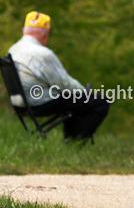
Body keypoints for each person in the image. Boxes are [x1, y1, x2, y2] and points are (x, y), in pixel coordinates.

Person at [6, 11, 109, 142]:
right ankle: (76, 140)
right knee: (99, 100)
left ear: (23, 30)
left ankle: (72, 138)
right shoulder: (43, 54)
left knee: (72, 98)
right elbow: (64, 83)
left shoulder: (13, 50)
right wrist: (84, 92)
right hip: (39, 102)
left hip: (19, 102)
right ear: (46, 33)